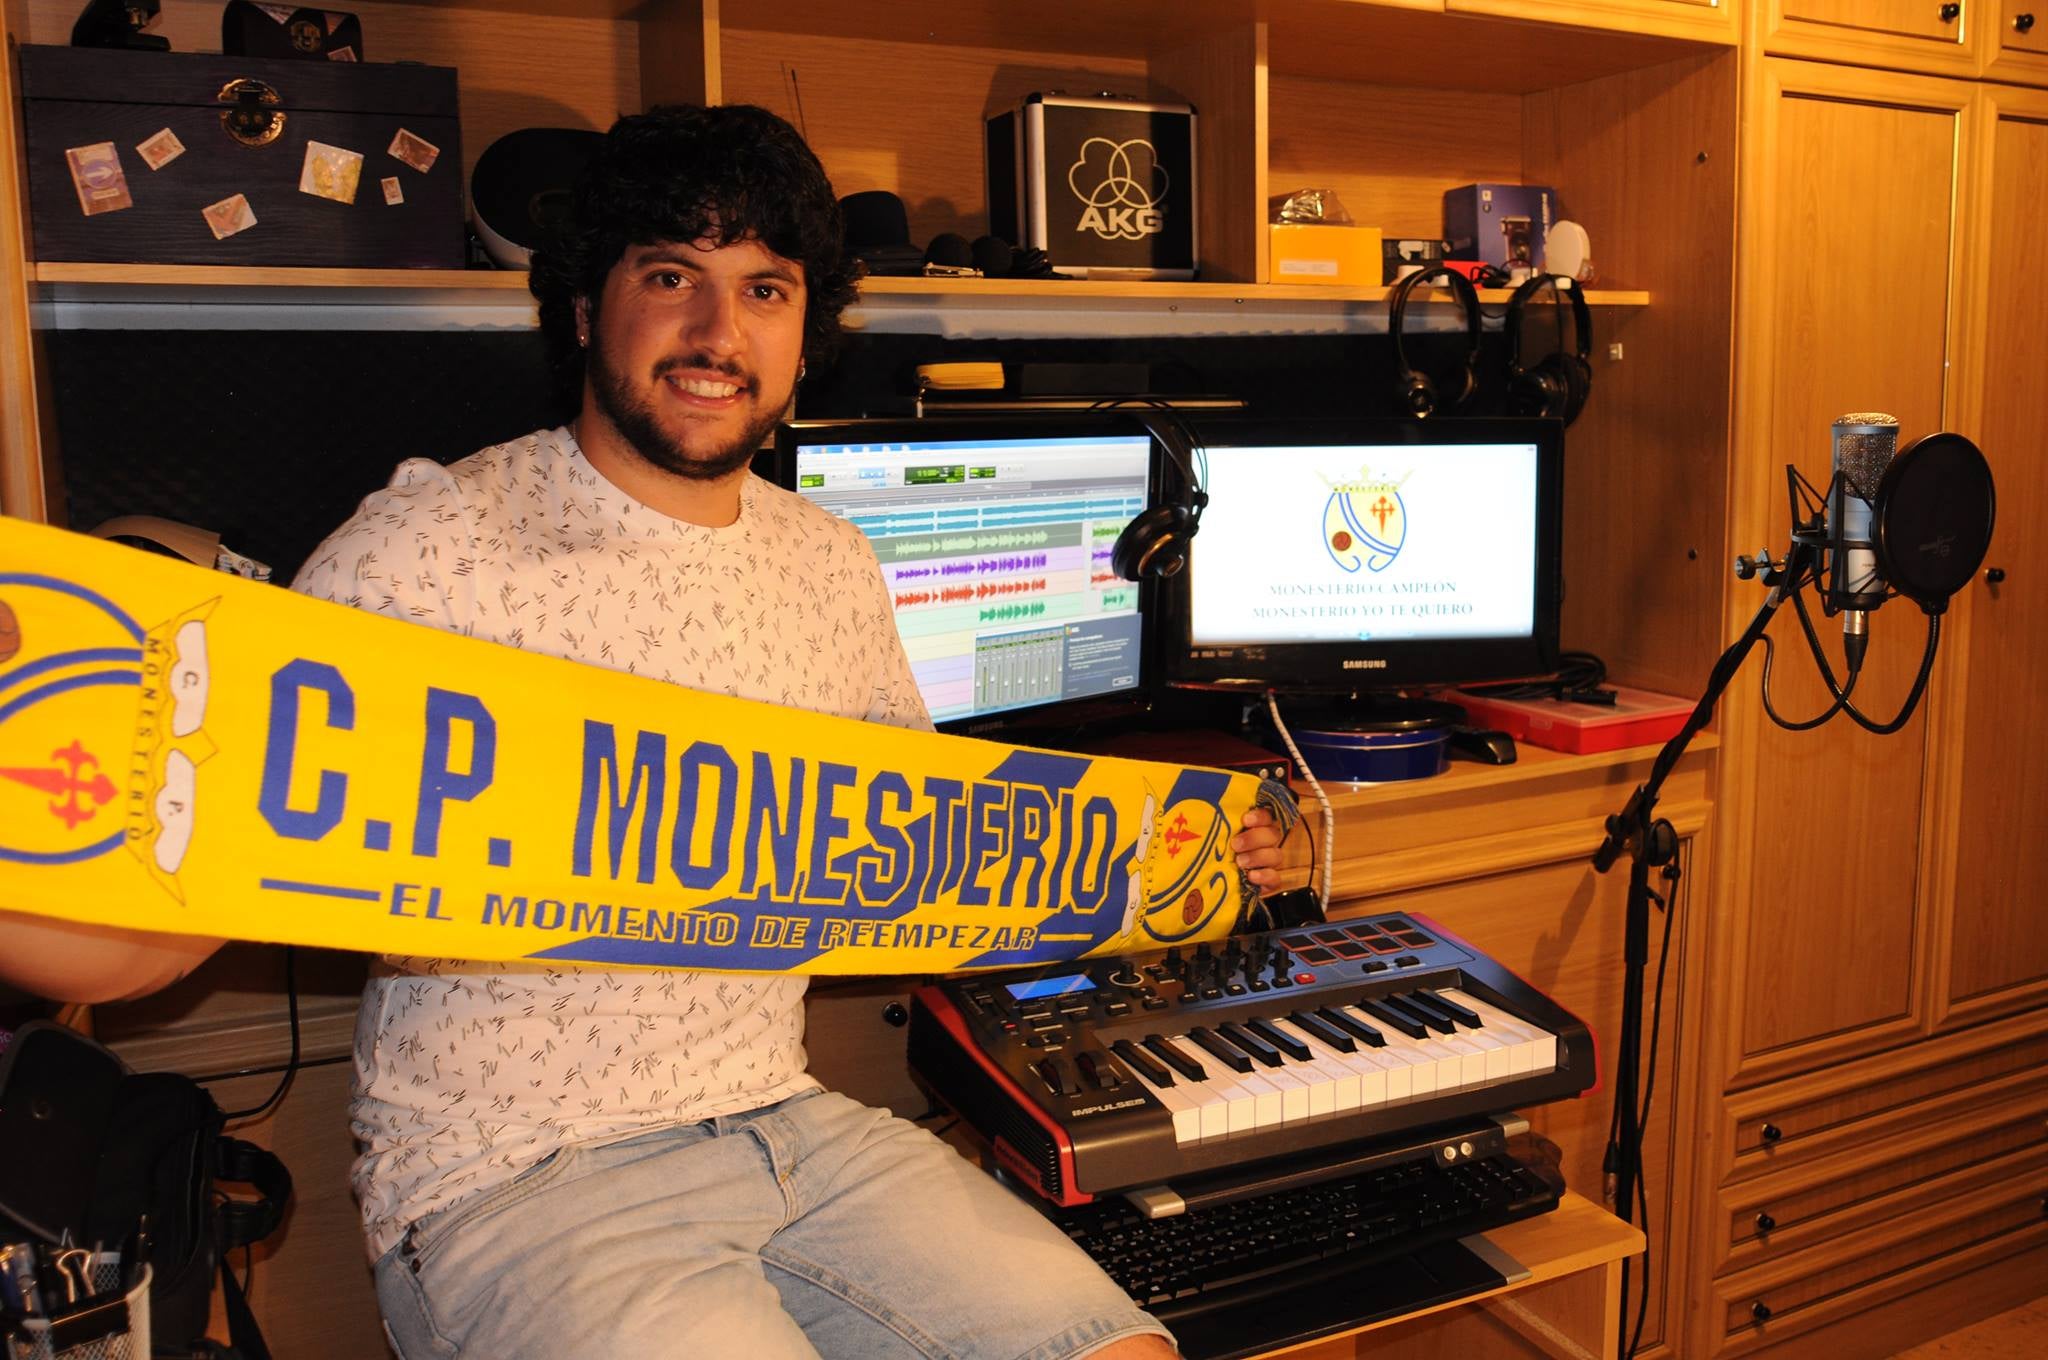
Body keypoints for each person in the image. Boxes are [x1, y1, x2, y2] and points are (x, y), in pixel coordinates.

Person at [0, 104, 1292, 1357]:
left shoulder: (830, 562)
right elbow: (172, 905)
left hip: (787, 1123)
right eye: (672, 274)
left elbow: (940, 856)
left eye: (765, 289)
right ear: (584, 307)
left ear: (803, 341)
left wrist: (1181, 866)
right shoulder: (432, 550)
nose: (717, 329)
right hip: (520, 1175)